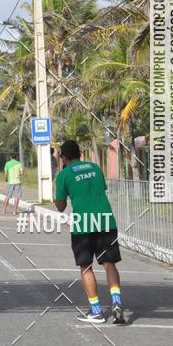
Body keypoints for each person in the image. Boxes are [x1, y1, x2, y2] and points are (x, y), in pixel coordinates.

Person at [54, 139, 124, 324]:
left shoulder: (64, 174)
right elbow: (100, 189)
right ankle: (116, 302)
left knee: (86, 267)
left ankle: (96, 311)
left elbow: (60, 206)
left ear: (64, 157)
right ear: (79, 153)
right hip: (106, 220)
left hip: (83, 225)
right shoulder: (94, 167)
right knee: (109, 263)